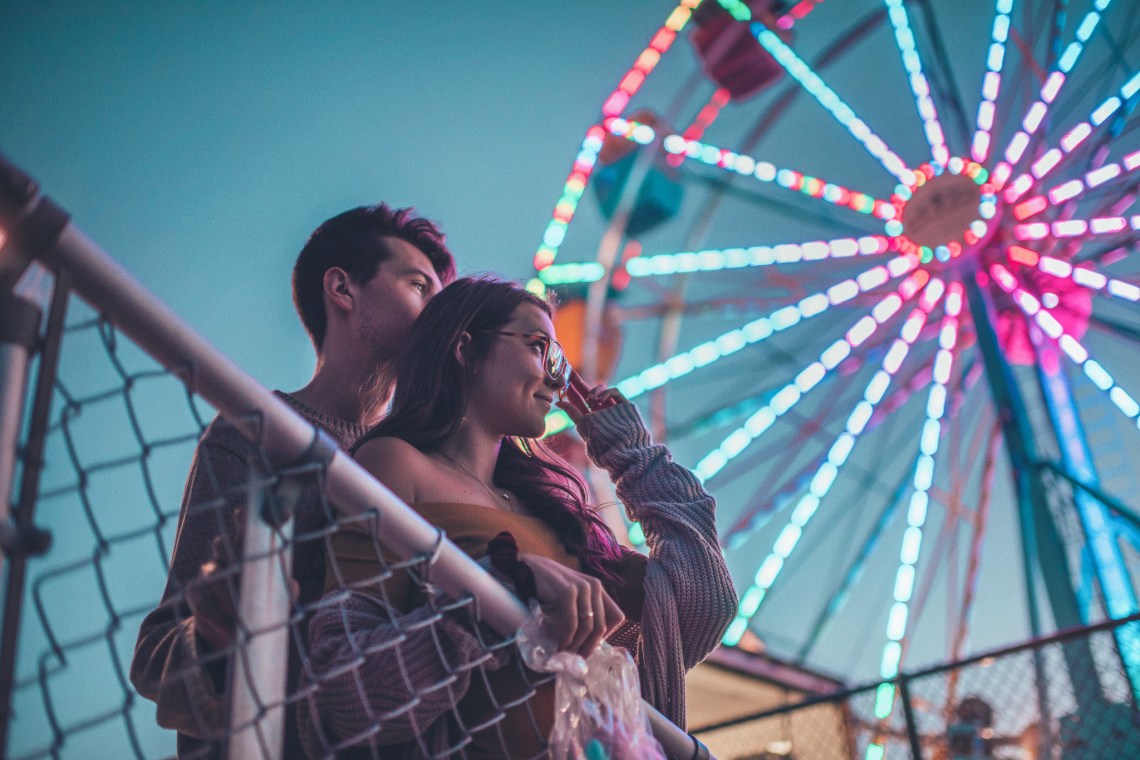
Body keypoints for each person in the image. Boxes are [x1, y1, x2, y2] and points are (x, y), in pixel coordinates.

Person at [299, 277, 738, 759]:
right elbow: (344, 693)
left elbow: (701, 604)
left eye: (559, 361)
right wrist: (496, 592)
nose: (557, 378)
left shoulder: (553, 510)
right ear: (465, 348)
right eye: (538, 348)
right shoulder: (395, 463)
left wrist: (629, 451)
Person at [130, 203, 457, 759]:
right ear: (343, 289)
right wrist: (214, 631)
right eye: (420, 286)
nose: (438, 314)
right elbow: (158, 657)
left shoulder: (428, 463)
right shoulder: (253, 434)